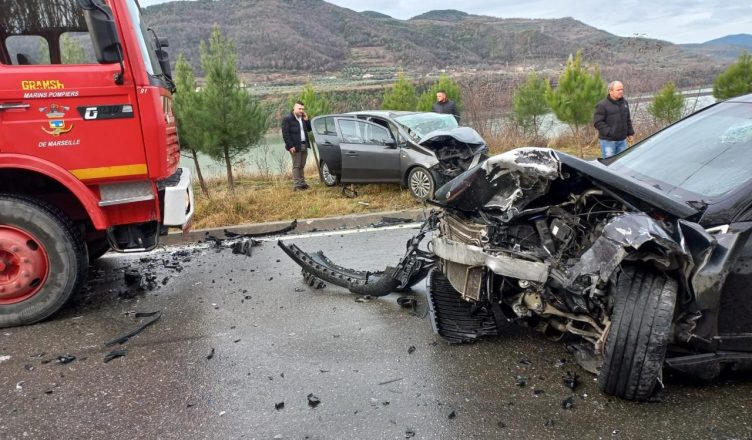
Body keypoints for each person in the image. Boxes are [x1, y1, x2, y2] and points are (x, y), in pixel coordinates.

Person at [593, 81, 634, 158]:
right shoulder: (602, 105)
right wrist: (610, 133)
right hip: (608, 141)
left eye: (622, 89)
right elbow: (598, 122)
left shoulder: (624, 103)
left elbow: (628, 119)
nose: (621, 91)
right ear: (610, 91)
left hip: (622, 140)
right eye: (618, 90)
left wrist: (630, 133)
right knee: (609, 162)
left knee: (622, 161)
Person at [281, 101, 312, 190]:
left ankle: (302, 183)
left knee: (302, 165)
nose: (301, 111)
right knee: (296, 165)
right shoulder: (287, 119)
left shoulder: (302, 118)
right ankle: (297, 185)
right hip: (295, 146)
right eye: (299, 109)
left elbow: (309, 129)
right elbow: (285, 134)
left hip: (304, 144)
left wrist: (307, 120)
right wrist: (290, 146)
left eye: (303, 109)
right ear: (294, 108)